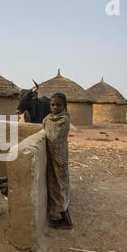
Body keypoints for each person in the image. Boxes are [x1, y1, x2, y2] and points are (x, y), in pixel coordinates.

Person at [42, 92, 72, 229]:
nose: (55, 107)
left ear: (64, 106)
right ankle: (64, 215)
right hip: (52, 160)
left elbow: (53, 138)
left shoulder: (64, 120)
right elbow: (44, 131)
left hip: (59, 159)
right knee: (55, 187)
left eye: (58, 105)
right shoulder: (48, 118)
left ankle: (67, 222)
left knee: (60, 188)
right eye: (53, 105)